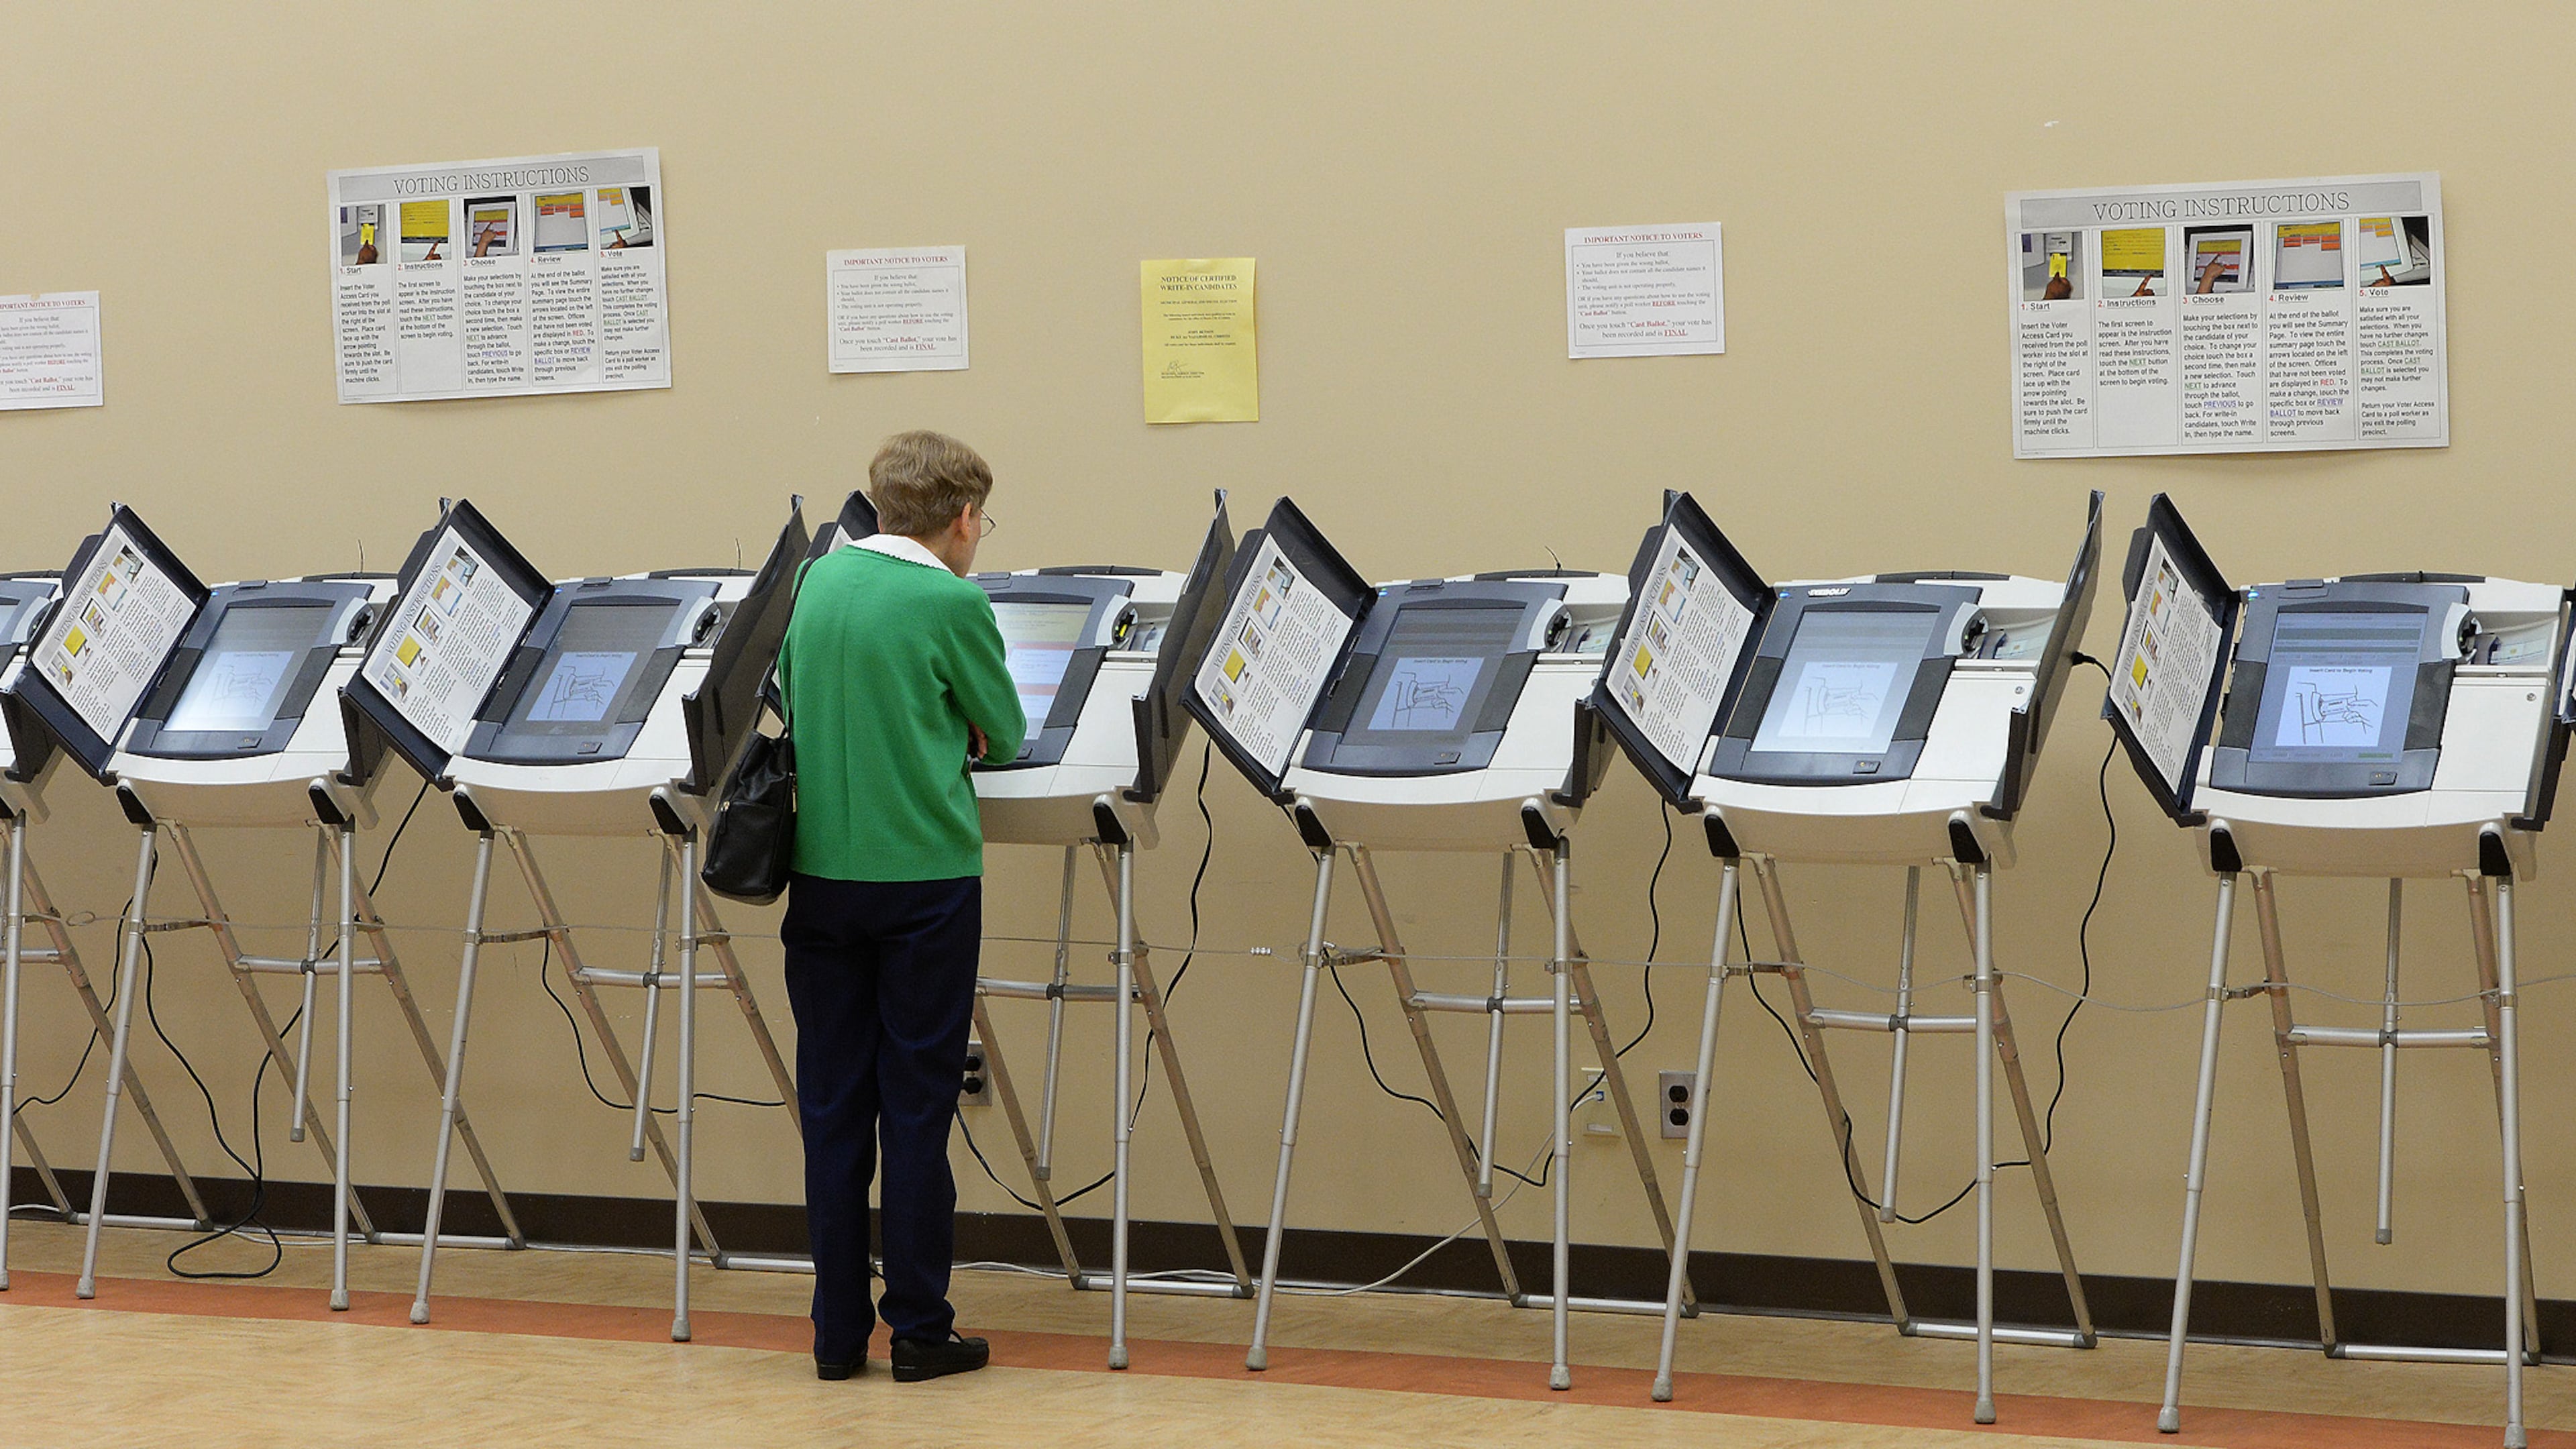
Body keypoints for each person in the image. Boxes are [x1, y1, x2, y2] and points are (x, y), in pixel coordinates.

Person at [777, 429, 1025, 1383]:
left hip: (823, 881)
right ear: (961, 519)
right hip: (923, 884)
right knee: (916, 1112)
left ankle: (836, 1338)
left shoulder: (819, 585)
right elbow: (1000, 733)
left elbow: (796, 699)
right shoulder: (951, 600)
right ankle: (920, 1329)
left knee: (835, 1112)